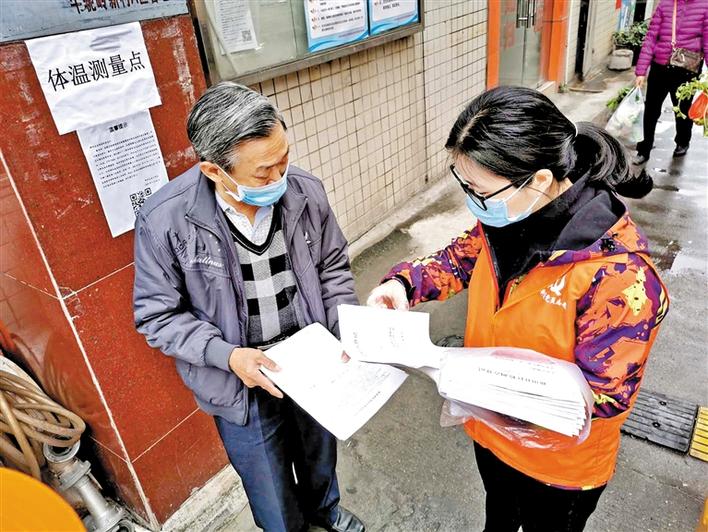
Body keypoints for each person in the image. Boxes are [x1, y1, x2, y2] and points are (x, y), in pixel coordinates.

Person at [367, 87, 669, 532]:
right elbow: (460, 258)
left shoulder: (620, 277)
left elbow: (605, 396)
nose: (473, 200)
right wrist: (403, 285)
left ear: (540, 180)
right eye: (465, 185)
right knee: (498, 520)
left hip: (560, 466)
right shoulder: (508, 216)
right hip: (491, 434)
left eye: (479, 190)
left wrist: (493, 391)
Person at [133, 82, 364, 532]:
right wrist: (228, 356)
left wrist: (341, 330)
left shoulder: (305, 191)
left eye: (284, 160)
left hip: (311, 358)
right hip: (238, 377)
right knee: (269, 487)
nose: (280, 179)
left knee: (320, 454)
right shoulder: (165, 220)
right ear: (214, 170)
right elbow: (157, 316)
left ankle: (326, 510)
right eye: (263, 173)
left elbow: (332, 266)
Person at [633, 0, 708, 164]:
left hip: (687, 69)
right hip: (660, 66)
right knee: (651, 110)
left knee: (683, 109)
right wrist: (641, 71)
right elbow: (651, 38)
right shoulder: (665, 4)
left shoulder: (704, 6)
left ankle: (682, 140)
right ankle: (644, 149)